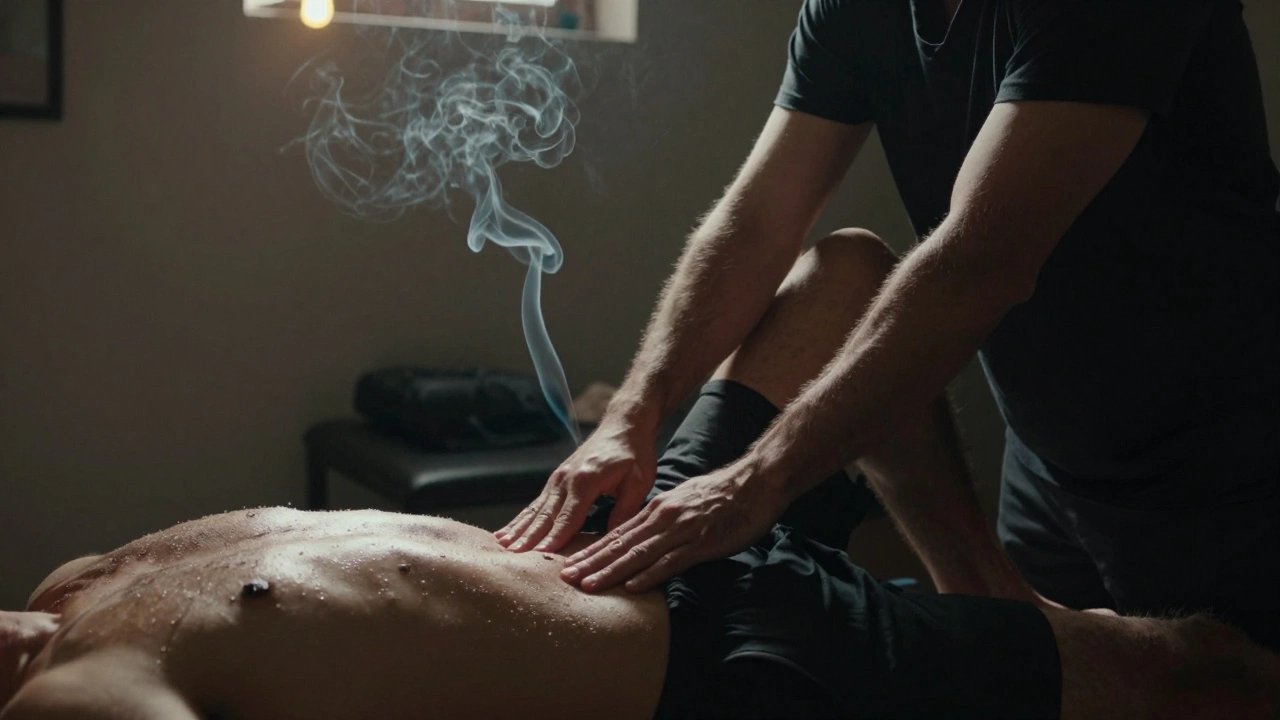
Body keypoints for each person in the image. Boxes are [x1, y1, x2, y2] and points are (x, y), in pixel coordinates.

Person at [499, 0, 1280, 650]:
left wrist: (752, 484)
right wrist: (635, 413)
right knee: (1038, 682)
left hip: (1227, 466)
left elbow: (981, 261)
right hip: (1050, 460)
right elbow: (758, 219)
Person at [3, 397, 1280, 719]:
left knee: (841, 276)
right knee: (1195, 675)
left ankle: (990, 611)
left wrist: (627, 424)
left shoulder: (77, 586)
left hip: (656, 535)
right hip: (727, 659)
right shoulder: (77, 691)